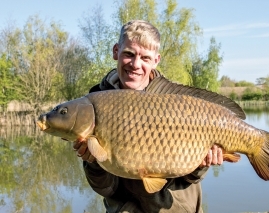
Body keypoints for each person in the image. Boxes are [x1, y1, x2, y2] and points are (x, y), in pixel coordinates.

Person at [73, 20, 225, 213]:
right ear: (115, 51)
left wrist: (201, 165)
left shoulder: (176, 100)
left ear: (156, 60)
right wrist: (94, 163)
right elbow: (105, 188)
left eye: (145, 57)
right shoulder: (95, 105)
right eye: (129, 54)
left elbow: (189, 180)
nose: (136, 64)